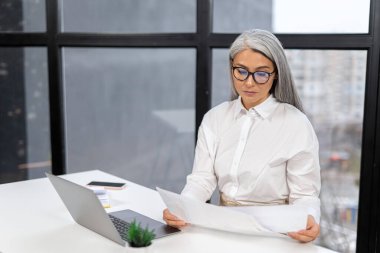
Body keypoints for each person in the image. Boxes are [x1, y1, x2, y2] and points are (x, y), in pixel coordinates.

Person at [163, 29, 321, 243]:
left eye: (262, 73)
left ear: (276, 75)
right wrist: (183, 207)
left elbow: (304, 195)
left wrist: (309, 218)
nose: (249, 82)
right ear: (231, 69)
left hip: (275, 234)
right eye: (242, 71)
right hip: (221, 227)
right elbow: (202, 179)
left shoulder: (296, 124)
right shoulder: (215, 119)